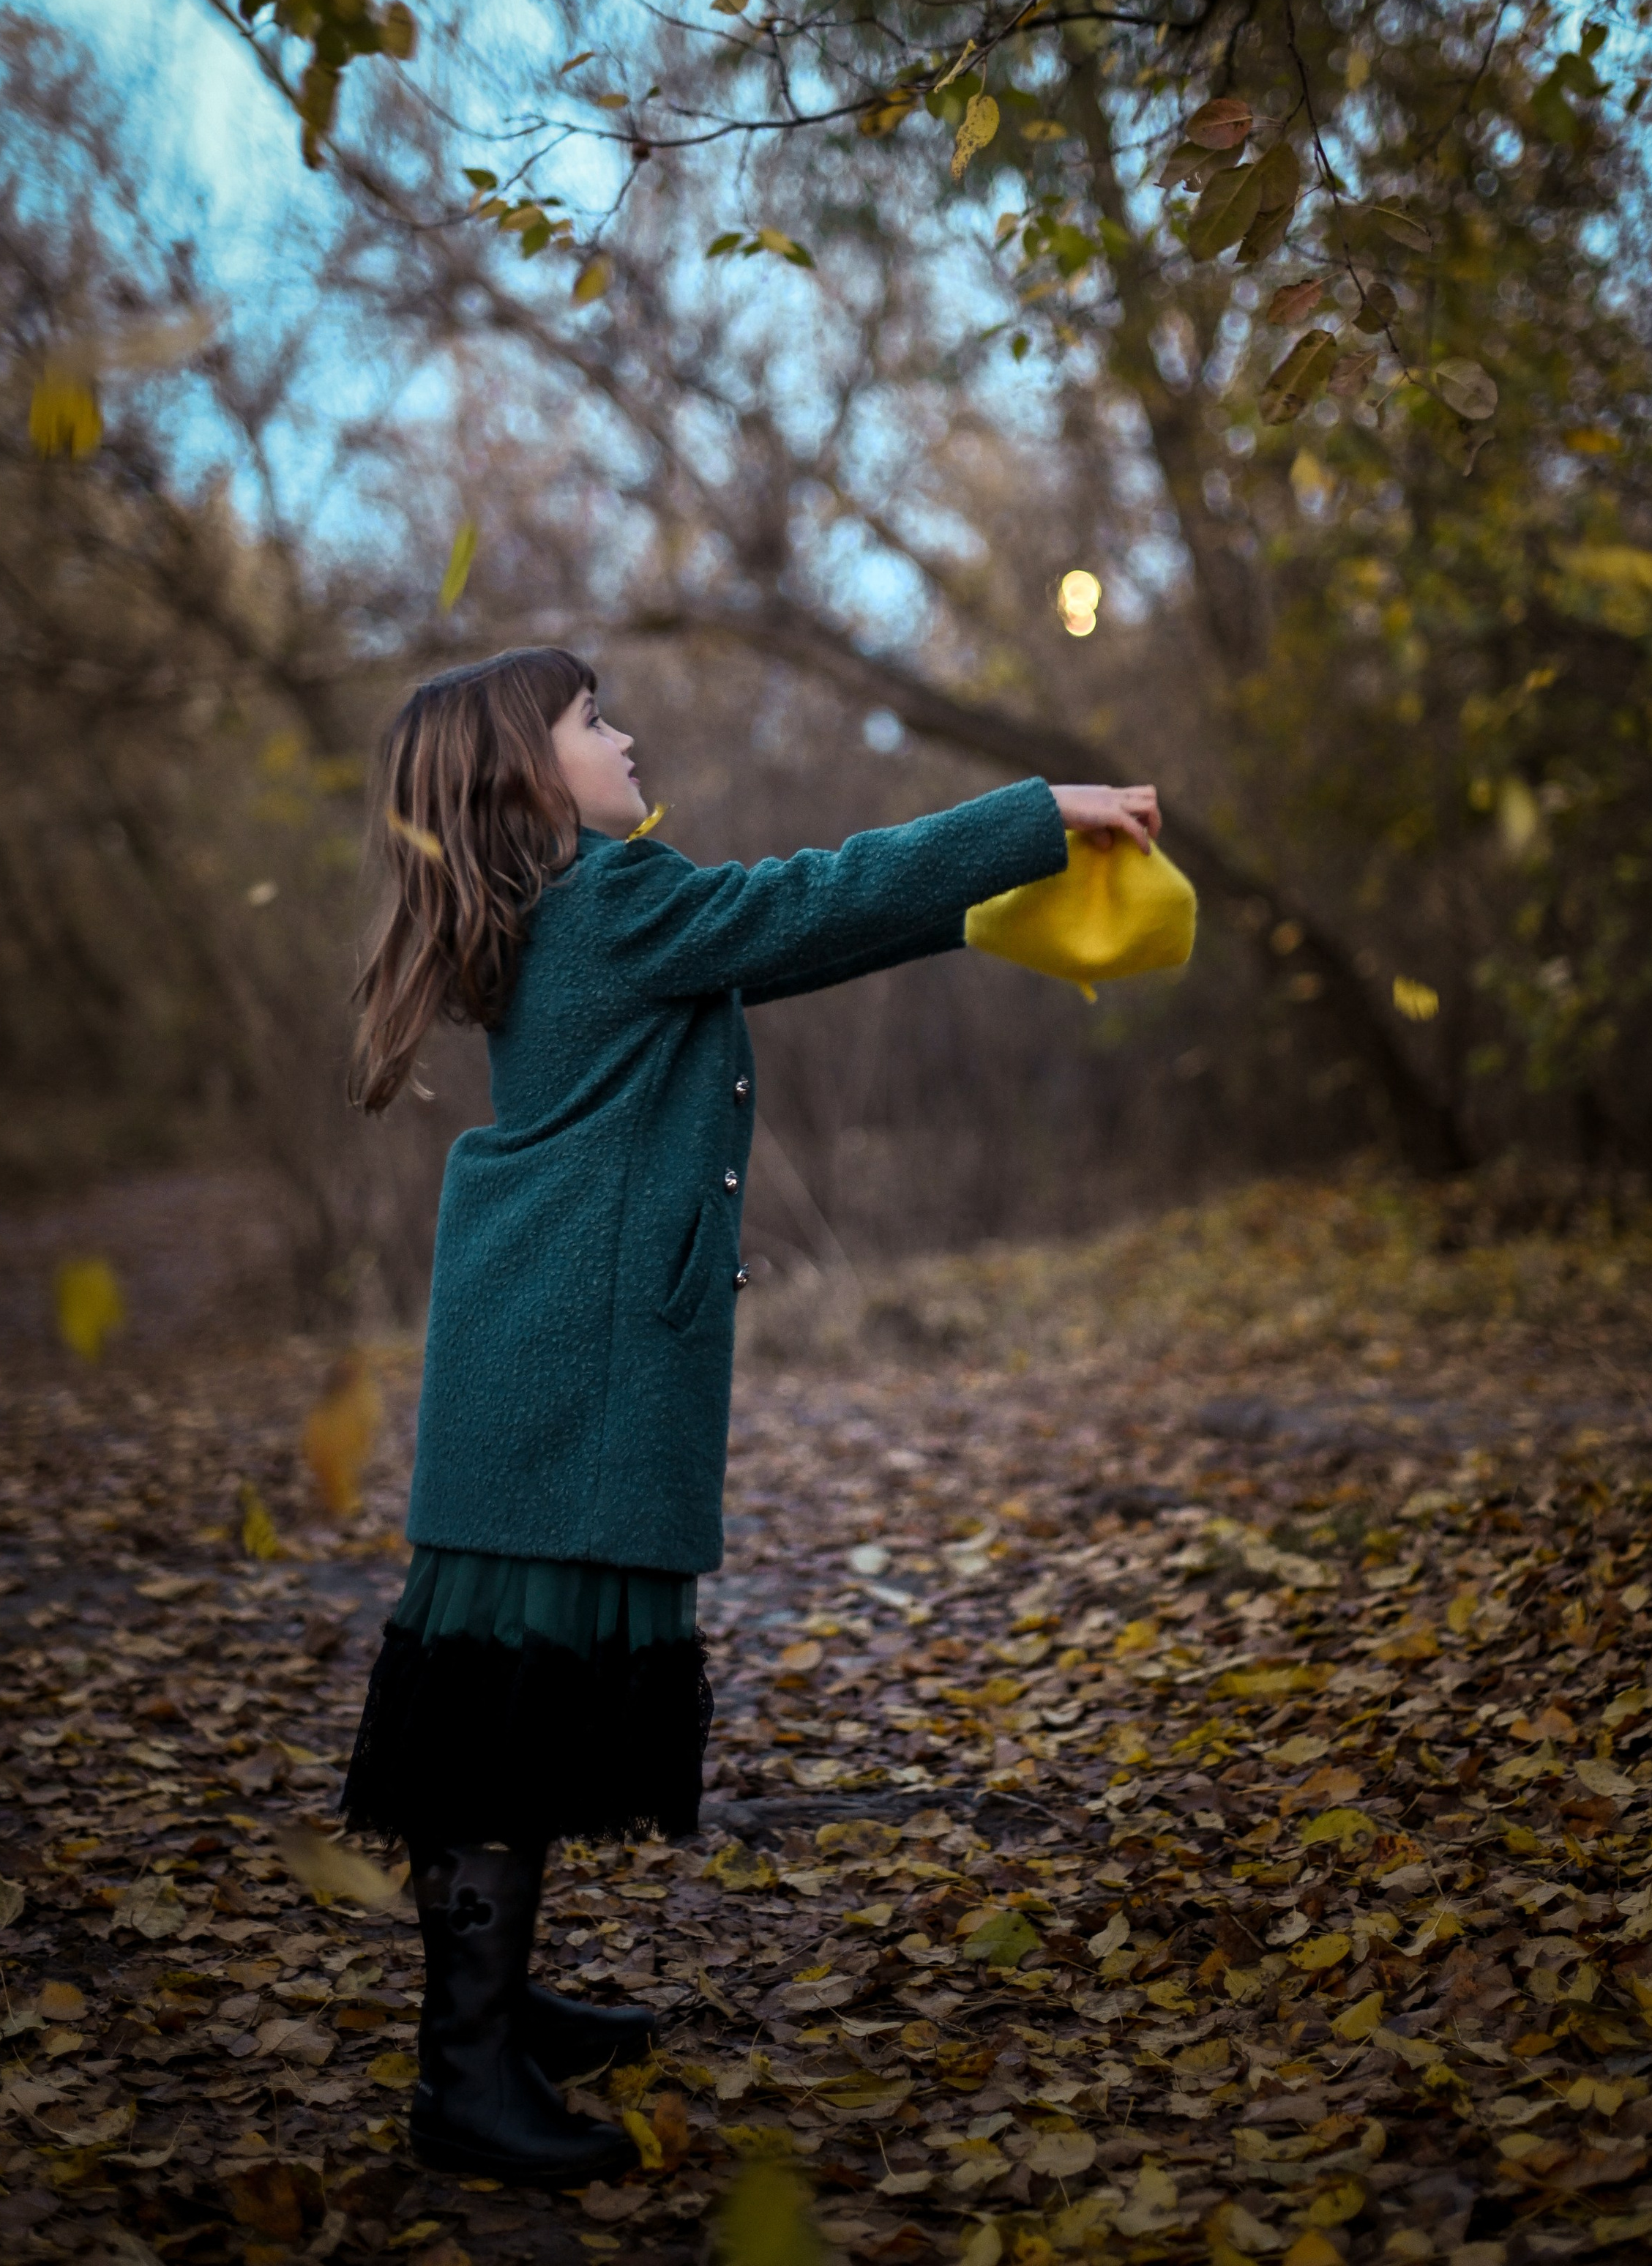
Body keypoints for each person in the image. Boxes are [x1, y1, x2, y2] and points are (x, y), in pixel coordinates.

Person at [338, 645, 1160, 2185]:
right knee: (503, 1720)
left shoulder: (553, 914)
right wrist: (1031, 814)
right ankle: (463, 2076)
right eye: (594, 721)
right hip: (563, 1372)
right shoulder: (610, 905)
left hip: (538, 1359)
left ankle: (496, 2010)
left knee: (522, 1688)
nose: (624, 732)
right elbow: (808, 904)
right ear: (526, 771)